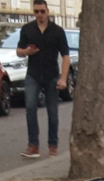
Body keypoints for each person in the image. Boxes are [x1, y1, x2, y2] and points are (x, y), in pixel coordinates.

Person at [16, 0, 70, 159]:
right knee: (30, 107)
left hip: (52, 75)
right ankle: (33, 145)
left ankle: (53, 145)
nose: (39, 15)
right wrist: (27, 52)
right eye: (36, 12)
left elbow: (65, 56)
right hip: (33, 75)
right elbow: (19, 51)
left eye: (42, 11)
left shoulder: (57, 31)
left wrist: (63, 78)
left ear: (48, 12)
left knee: (53, 112)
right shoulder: (27, 30)